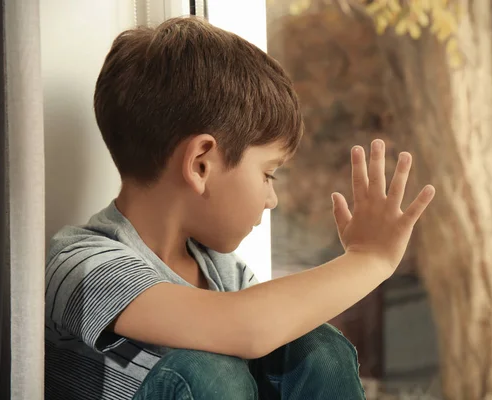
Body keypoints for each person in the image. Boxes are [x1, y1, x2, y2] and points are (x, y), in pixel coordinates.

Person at [44, 16, 435, 400]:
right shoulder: (82, 264)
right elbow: (249, 328)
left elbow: (264, 323)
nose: (272, 199)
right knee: (208, 371)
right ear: (201, 164)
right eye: (268, 174)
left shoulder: (220, 271)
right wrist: (371, 260)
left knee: (317, 348)